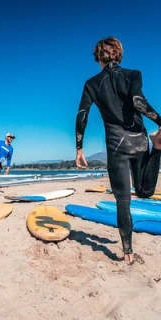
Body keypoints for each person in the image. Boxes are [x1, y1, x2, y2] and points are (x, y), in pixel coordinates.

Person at [75, 37, 161, 265]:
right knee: (144, 191)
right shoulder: (133, 74)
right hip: (139, 141)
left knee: (123, 201)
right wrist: (160, 121)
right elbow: (138, 101)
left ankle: (128, 252)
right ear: (118, 54)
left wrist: (79, 148)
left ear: (98, 57)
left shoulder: (92, 83)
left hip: (116, 147)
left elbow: (82, 114)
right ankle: (158, 147)